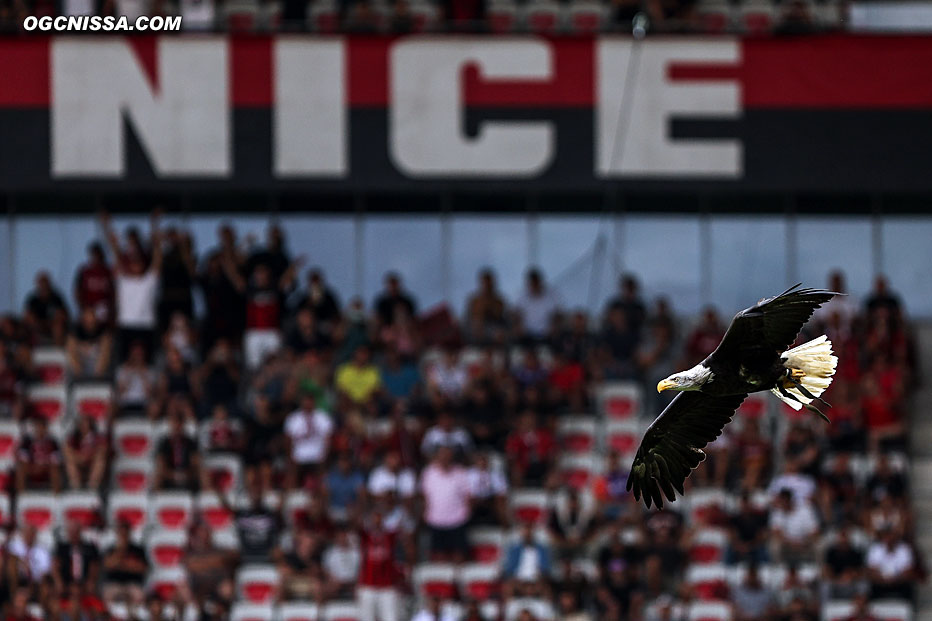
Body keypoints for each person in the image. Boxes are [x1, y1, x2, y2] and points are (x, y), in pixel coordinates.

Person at [101, 210, 163, 361]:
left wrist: (154, 225)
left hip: (147, 325)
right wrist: (106, 225)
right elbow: (114, 249)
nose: (136, 265)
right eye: (133, 263)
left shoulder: (149, 280)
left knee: (148, 363)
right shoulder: (123, 279)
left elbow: (157, 257)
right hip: (126, 324)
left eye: (139, 262)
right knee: (124, 363)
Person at [420, 446, 472, 562]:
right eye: (442, 455)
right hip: (435, 519)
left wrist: (466, 512)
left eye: (448, 455)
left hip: (457, 519)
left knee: (459, 556)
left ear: (452, 457)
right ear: (437, 456)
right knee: (438, 556)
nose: (445, 458)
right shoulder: (429, 473)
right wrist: (425, 512)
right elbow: (425, 495)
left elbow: (468, 496)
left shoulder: (460, 472)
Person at [285, 393, 335, 489]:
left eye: (310, 401)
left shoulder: (323, 417)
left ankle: (321, 498)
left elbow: (328, 440)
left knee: (323, 474)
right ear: (301, 403)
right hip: (298, 456)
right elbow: (287, 441)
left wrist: (325, 456)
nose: (307, 404)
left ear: (314, 403)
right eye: (305, 401)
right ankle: (291, 497)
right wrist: (290, 457)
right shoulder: (293, 418)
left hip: (318, 456)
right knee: (291, 471)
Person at [101, 521, 148, 606]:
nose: (123, 535)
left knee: (139, 596)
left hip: (133, 584)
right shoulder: (111, 549)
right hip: (115, 584)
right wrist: (120, 551)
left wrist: (120, 565)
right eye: (121, 533)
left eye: (125, 533)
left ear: (129, 533)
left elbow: (142, 568)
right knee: (107, 596)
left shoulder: (138, 549)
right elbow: (108, 566)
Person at [154, 413, 202, 491]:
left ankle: (206, 500)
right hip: (170, 475)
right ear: (171, 425)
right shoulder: (164, 442)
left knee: (202, 472)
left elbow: (195, 463)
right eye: (174, 424)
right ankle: (154, 501)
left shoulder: (190, 442)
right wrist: (173, 475)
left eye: (179, 424)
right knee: (157, 476)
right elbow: (161, 463)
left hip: (187, 474)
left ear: (183, 425)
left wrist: (185, 474)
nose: (176, 426)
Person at [16, 416, 63, 492]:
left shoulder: (53, 443)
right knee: (21, 470)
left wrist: (43, 467)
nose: (39, 430)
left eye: (42, 427)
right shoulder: (27, 442)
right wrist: (34, 467)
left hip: (47, 469)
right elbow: (23, 459)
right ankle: (21, 497)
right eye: (37, 427)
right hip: (31, 468)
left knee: (55, 470)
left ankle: (56, 499)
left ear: (46, 428)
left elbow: (56, 461)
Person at [866, 527, 915, 600]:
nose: (889, 539)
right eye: (886, 537)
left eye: (891, 536)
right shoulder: (875, 549)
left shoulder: (904, 549)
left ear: (895, 537)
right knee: (871, 586)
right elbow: (872, 570)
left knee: (908, 585)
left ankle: (908, 607)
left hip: (899, 582)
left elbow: (908, 570)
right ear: (883, 538)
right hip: (880, 582)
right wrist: (883, 579)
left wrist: (895, 579)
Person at [514, 268, 562, 342]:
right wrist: (518, 326)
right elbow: (516, 314)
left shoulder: (550, 296)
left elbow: (557, 314)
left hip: (547, 335)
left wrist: (555, 326)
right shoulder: (522, 297)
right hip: (527, 335)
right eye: (532, 283)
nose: (534, 286)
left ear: (540, 282)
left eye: (536, 283)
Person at [73, 242, 115, 324]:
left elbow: (113, 292)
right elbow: (77, 290)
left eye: (98, 254)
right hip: (88, 309)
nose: (96, 257)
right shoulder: (85, 271)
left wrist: (112, 310)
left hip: (104, 311)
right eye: (94, 254)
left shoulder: (108, 271)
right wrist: (82, 308)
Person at [66, 306, 113, 379]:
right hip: (79, 369)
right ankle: (80, 381)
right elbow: (71, 352)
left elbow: (105, 355)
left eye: (92, 321)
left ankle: (95, 381)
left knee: (105, 349)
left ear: (96, 321)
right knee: (71, 352)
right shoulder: (75, 333)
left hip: (97, 368)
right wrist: (79, 375)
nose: (89, 323)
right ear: (82, 320)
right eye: (87, 321)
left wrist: (97, 376)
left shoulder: (103, 333)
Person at [63, 413, 107, 490]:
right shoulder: (73, 437)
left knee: (100, 461)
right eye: (81, 424)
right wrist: (79, 457)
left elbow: (102, 450)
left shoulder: (97, 437)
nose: (83, 426)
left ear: (90, 425)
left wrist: (89, 456)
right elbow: (67, 449)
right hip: (78, 461)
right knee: (69, 462)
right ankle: (76, 486)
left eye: (85, 423)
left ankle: (92, 486)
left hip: (92, 461)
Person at [466, 268, 508, 343]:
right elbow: (472, 318)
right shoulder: (475, 301)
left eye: (489, 284)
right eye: (485, 284)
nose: (487, 286)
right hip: (477, 329)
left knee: (499, 333)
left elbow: (499, 317)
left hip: (494, 329)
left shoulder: (498, 301)